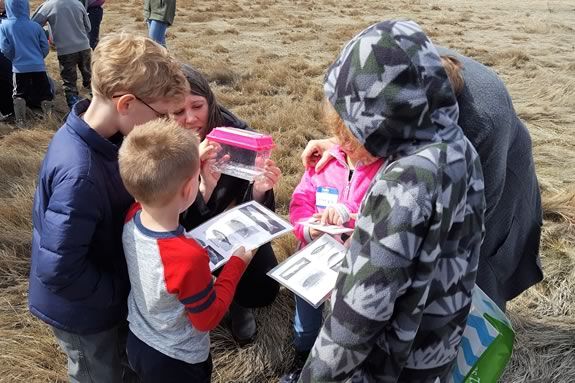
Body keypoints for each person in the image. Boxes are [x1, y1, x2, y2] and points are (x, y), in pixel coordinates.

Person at [298, 20, 486, 382]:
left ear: (379, 119)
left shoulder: (405, 183)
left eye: (352, 127)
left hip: (391, 365)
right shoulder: (459, 146)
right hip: (436, 346)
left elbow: (356, 321)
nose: (348, 140)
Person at [302, 48, 543, 312]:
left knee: (474, 274)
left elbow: (459, 229)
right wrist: (344, 143)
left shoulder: (482, 124)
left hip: (498, 184)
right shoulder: (375, 72)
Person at [28, 33, 188, 383]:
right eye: (161, 115)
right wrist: (119, 293)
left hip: (104, 296)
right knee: (98, 373)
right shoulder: (79, 175)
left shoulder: (106, 135)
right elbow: (59, 270)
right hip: (85, 314)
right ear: (126, 103)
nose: (166, 124)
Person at [118, 119, 254, 383]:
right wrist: (237, 264)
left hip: (138, 340)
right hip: (177, 360)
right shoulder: (188, 257)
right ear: (190, 188)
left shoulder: (131, 217)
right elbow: (207, 319)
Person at [172, 64, 281, 345]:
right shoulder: (162, 145)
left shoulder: (240, 139)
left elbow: (256, 213)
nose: (190, 118)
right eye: (177, 112)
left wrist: (259, 190)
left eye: (197, 106)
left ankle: (239, 303)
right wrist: (200, 183)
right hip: (184, 232)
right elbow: (166, 216)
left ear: (210, 101)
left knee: (264, 285)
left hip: (233, 228)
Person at [280, 101, 386, 383]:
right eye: (341, 138)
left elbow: (380, 215)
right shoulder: (324, 164)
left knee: (345, 324)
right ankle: (303, 360)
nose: (346, 147)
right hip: (312, 262)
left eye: (355, 141)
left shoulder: (385, 172)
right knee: (305, 324)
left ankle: (336, 367)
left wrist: (350, 222)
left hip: (353, 268)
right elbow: (300, 203)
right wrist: (308, 231)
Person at [0, 0, 53, 124]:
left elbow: (4, 48)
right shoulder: (35, 25)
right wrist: (38, 58)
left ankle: (20, 121)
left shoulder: (4, 25)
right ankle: (49, 118)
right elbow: (45, 46)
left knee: (18, 94)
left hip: (19, 68)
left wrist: (14, 58)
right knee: (45, 92)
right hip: (38, 66)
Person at [32, 0, 91, 109]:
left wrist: (48, 36)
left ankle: (75, 109)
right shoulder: (78, 3)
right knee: (90, 78)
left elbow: (33, 24)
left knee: (70, 84)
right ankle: (97, 101)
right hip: (84, 47)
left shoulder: (49, 5)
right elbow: (88, 27)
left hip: (66, 50)